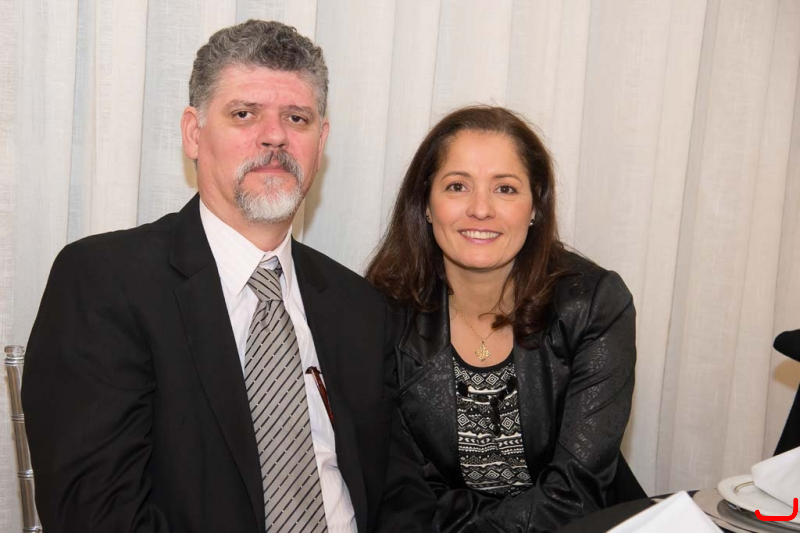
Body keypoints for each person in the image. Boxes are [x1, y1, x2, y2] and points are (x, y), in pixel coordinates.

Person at [22, 20, 431, 533]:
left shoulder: (361, 308)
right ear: (194, 134)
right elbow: (96, 514)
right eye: (244, 114)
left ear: (320, 140)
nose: (275, 136)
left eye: (297, 118)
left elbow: (401, 494)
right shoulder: (105, 282)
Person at [367, 105, 638, 532]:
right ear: (426, 205)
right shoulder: (378, 314)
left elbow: (577, 491)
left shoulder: (593, 304)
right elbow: (407, 495)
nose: (481, 209)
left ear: (535, 207)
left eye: (505, 189)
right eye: (457, 186)